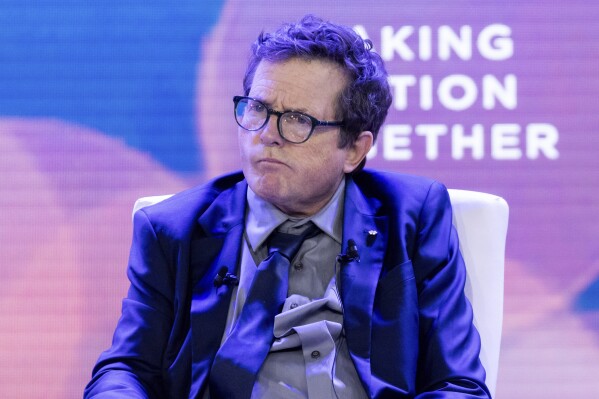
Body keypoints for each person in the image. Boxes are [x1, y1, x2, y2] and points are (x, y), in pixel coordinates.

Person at [85, 15, 491, 399]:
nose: (267, 135)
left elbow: (457, 383)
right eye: (258, 108)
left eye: (297, 119)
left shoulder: (412, 216)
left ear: (354, 149)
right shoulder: (172, 229)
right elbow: (127, 368)